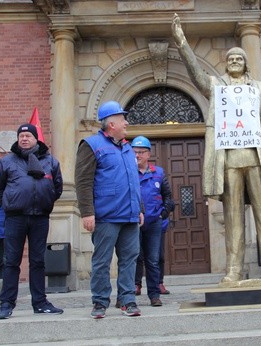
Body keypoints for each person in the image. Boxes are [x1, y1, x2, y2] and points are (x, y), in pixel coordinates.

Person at [172, 14, 261, 284]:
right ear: (226, 65)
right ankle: (234, 270)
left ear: (246, 63)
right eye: (230, 60)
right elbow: (198, 75)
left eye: (239, 59)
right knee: (233, 218)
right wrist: (182, 44)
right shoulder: (217, 88)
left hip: (257, 159)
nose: (234, 62)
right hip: (229, 160)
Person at [75, 100, 143, 319]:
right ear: (111, 123)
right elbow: (83, 181)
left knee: (129, 259)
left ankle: (127, 300)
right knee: (102, 261)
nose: (127, 123)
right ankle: (100, 302)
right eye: (123, 119)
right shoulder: (91, 144)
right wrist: (87, 212)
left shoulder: (127, 147)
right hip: (106, 216)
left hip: (130, 215)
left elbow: (134, 181)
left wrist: (139, 208)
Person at [0, 123, 63, 319]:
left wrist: (45, 201)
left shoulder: (50, 161)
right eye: (21, 136)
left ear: (35, 138)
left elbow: (57, 188)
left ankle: (39, 302)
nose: (24, 139)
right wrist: (9, 201)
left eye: (28, 136)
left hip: (40, 217)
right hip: (15, 218)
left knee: (38, 261)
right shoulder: (6, 162)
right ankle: (6, 304)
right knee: (11, 261)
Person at [132, 136, 175, 306]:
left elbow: (169, 198)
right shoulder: (128, 172)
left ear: (148, 154)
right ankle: (131, 289)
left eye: (141, 152)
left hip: (154, 223)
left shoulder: (159, 173)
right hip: (133, 223)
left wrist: (162, 214)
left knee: (153, 259)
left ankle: (154, 295)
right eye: (134, 152)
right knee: (134, 257)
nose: (137, 155)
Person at [158, 218, 171, 294]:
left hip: (158, 225)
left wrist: (164, 213)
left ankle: (159, 283)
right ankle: (137, 284)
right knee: (138, 257)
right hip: (139, 225)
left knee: (160, 257)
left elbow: (170, 205)